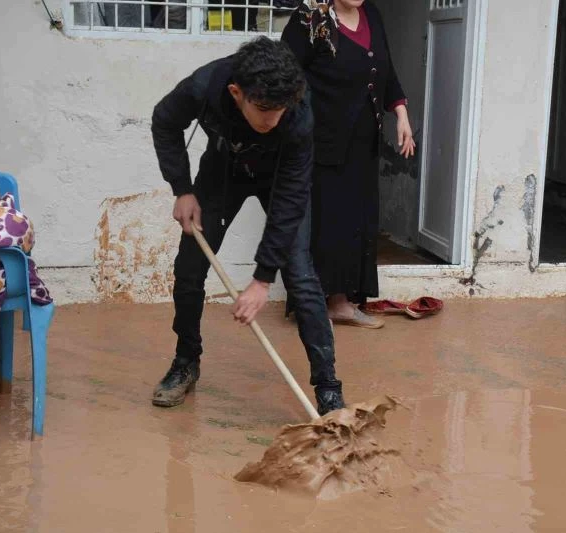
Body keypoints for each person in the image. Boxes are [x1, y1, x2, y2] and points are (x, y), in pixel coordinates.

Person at [150, 36, 345, 415]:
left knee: (302, 277)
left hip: (280, 180)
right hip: (223, 171)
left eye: (281, 110)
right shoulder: (204, 86)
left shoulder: (298, 112)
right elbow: (164, 120)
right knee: (189, 268)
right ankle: (185, 362)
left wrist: (261, 280)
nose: (274, 120)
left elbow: (290, 202)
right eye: (264, 109)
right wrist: (183, 190)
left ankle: (328, 388)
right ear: (237, 93)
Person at [282, 0, 415, 329]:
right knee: (327, 222)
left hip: (363, 142)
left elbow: (386, 70)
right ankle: (312, 305)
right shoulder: (311, 17)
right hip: (322, 141)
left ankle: (342, 303)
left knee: (357, 219)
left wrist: (401, 114)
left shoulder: (372, 15)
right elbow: (284, 73)